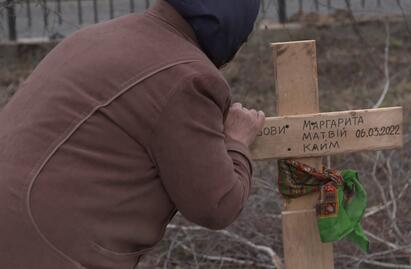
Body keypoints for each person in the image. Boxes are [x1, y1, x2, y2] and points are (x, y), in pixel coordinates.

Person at [0, 0, 264, 268]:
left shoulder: (97, 36)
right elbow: (217, 204)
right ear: (232, 29)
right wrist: (237, 142)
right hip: (48, 250)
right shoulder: (189, 77)